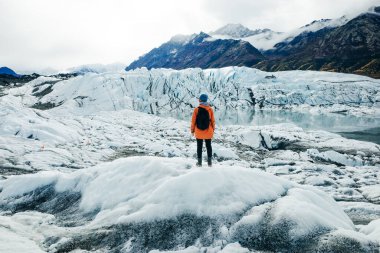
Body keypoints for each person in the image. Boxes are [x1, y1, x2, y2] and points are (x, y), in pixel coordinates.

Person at [191, 94, 215, 167]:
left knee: (199, 147)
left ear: (200, 100)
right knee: (208, 146)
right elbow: (213, 121)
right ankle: (210, 163)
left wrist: (192, 131)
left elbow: (193, 121)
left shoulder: (196, 109)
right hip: (208, 132)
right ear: (206, 100)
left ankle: (199, 163)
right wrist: (212, 130)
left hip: (198, 132)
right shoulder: (210, 109)